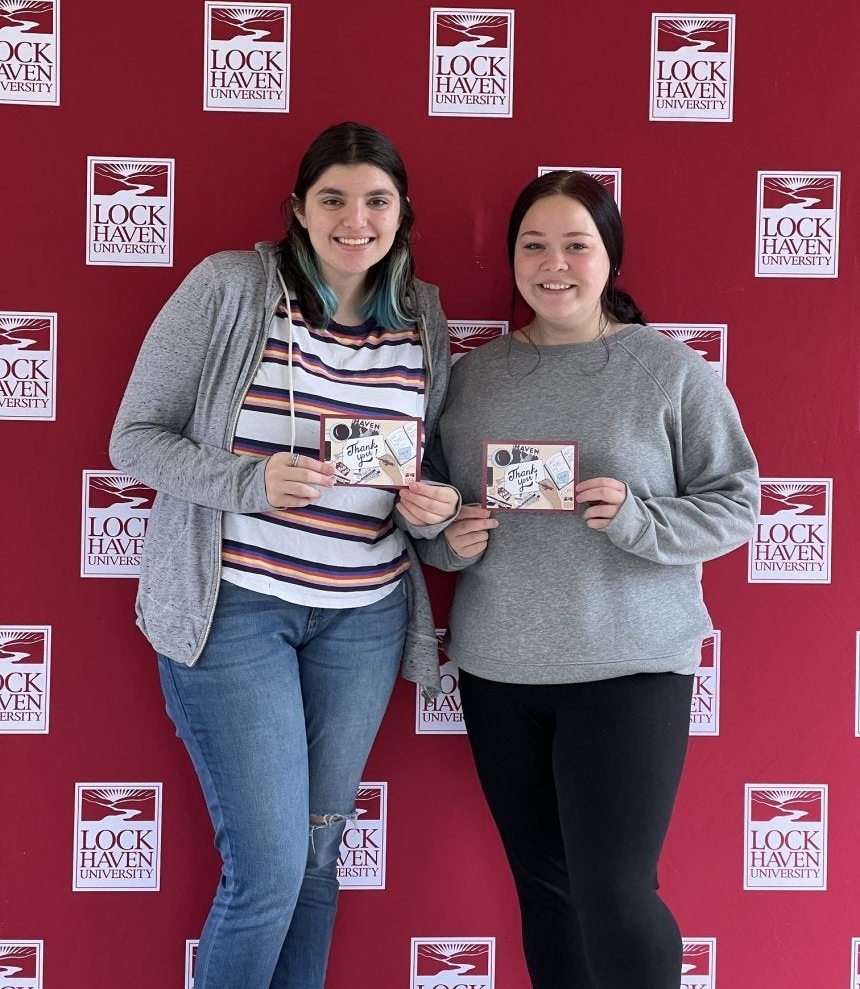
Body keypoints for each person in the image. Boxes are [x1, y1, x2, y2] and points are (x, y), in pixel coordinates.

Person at [110, 122, 459, 989]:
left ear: (401, 212)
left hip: (364, 619)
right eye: (333, 198)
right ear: (299, 209)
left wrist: (434, 506)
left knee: (313, 866)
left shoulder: (424, 317)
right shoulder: (231, 287)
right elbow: (133, 438)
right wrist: (250, 482)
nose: (355, 218)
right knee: (267, 871)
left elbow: (429, 475)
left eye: (375, 200)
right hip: (235, 610)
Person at [418, 170, 759, 988]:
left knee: (615, 893)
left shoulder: (668, 371)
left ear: (611, 257)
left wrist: (641, 519)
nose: (554, 262)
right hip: (501, 673)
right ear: (511, 259)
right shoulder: (474, 378)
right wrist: (449, 536)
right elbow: (430, 520)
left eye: (577, 243)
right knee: (546, 892)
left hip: (629, 672)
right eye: (534, 244)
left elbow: (739, 505)